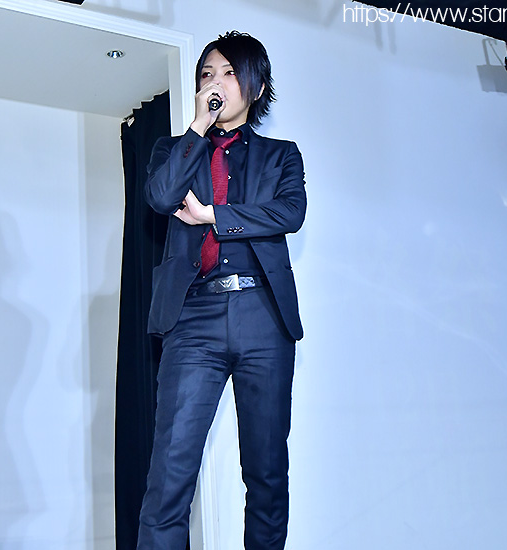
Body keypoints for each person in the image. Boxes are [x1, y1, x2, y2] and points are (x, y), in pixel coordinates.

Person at [137, 30, 306, 550]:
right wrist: (197, 126)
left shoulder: (281, 156)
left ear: (256, 88)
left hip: (263, 316)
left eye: (230, 73)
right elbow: (160, 196)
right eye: (207, 74)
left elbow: (289, 213)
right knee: (169, 477)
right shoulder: (174, 150)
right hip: (193, 319)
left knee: (266, 475)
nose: (216, 83)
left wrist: (215, 215)